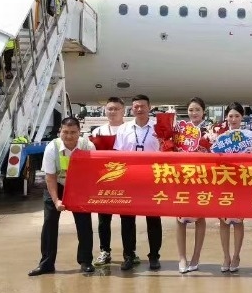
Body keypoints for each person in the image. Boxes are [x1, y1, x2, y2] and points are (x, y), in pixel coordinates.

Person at [28, 117, 96, 276]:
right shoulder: (52, 147)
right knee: (49, 222)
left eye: (73, 132)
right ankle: (46, 264)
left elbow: (92, 173)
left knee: (84, 224)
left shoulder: (88, 146)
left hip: (79, 186)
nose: (69, 136)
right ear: (60, 131)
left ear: (79, 132)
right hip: (57, 184)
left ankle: (86, 261)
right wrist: (56, 200)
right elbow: (50, 177)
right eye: (65, 132)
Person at [114, 94, 162, 271]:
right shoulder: (124, 129)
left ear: (149, 107)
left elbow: (166, 151)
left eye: (142, 106)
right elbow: (117, 154)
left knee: (153, 219)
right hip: (129, 180)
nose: (139, 109)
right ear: (131, 109)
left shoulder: (159, 128)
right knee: (127, 219)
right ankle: (129, 255)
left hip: (152, 179)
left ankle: (154, 256)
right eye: (136, 106)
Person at [209, 102, 252, 273]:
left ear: (242, 117)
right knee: (223, 221)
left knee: (238, 221)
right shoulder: (218, 135)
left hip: (241, 181)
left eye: (237, 116)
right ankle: (226, 256)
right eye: (230, 116)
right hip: (223, 180)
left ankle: (236, 255)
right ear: (226, 117)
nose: (233, 119)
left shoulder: (248, 134)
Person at [175, 97, 210, 274]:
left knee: (200, 217)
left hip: (202, 177)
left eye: (197, 109)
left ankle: (196, 256)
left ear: (203, 111)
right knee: (179, 218)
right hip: (182, 177)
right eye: (190, 110)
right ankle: (182, 257)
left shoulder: (210, 130)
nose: (194, 113)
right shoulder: (180, 130)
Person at [89, 97, 125, 266]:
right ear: (105, 111)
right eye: (110, 108)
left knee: (127, 218)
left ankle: (129, 253)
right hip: (104, 179)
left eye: (116, 109)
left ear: (123, 111)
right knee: (104, 219)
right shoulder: (98, 131)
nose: (113, 112)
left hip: (126, 179)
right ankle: (105, 250)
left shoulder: (129, 129)